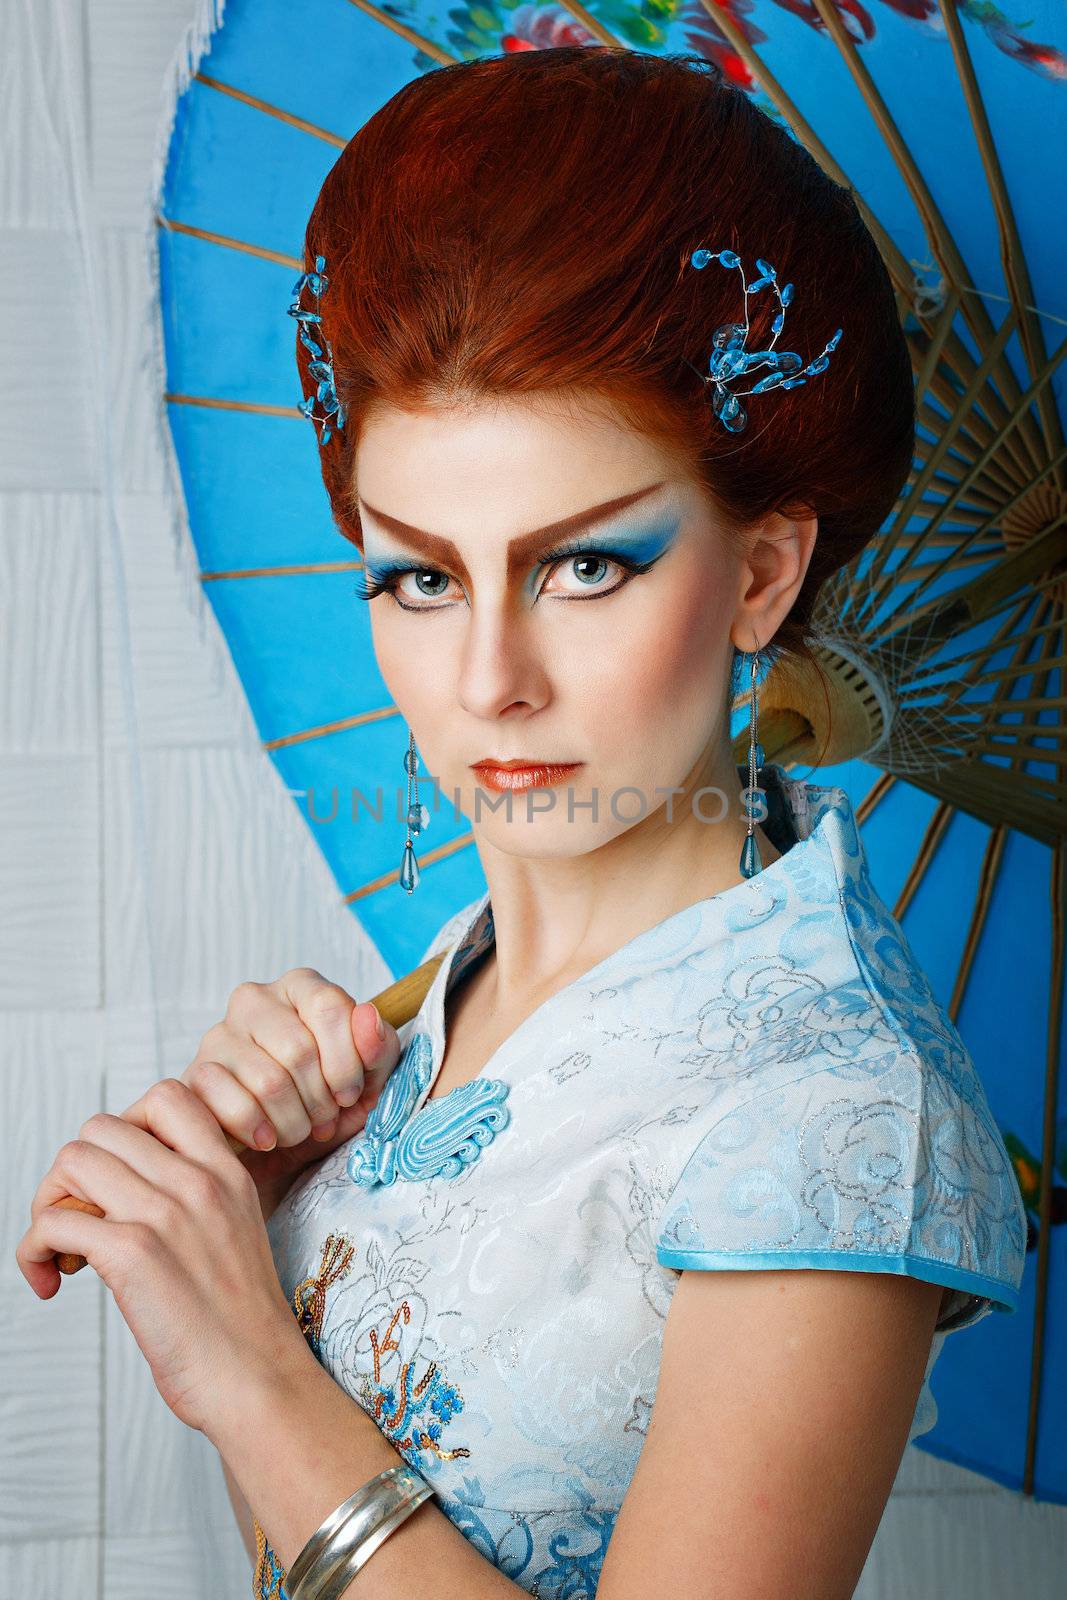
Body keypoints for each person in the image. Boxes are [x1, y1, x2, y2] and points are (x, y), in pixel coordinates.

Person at [17, 45, 1026, 1600]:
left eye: (586, 566)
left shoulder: (834, 1120)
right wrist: (273, 1218)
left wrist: (248, 1370)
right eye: (419, 576)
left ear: (761, 575)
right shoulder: (445, 992)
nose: (489, 683)